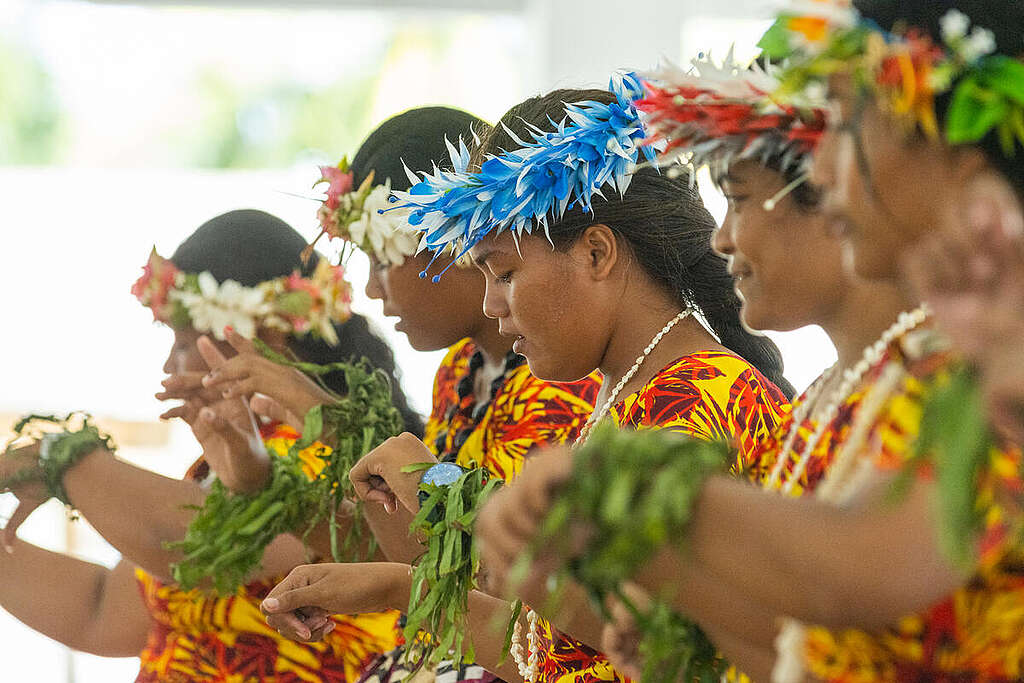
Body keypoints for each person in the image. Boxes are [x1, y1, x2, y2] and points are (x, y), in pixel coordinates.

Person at [479, 4, 1024, 682]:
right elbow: (814, 647)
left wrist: (635, 495)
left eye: (848, 130)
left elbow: (860, 569)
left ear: (955, 154)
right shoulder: (915, 364)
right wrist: (676, 614)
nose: (824, 174)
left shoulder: (979, 367)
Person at [261, 74, 793, 683]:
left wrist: (435, 490)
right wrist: (399, 587)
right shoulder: (637, 392)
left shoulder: (692, 399)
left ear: (596, 254)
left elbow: (661, 645)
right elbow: (553, 653)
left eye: (505, 273)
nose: (490, 304)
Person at [0, 209, 416, 682]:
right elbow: (103, 612)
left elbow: (188, 546)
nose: (168, 367)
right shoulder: (219, 463)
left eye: (184, 346)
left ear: (268, 337)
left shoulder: (337, 456)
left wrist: (57, 456)